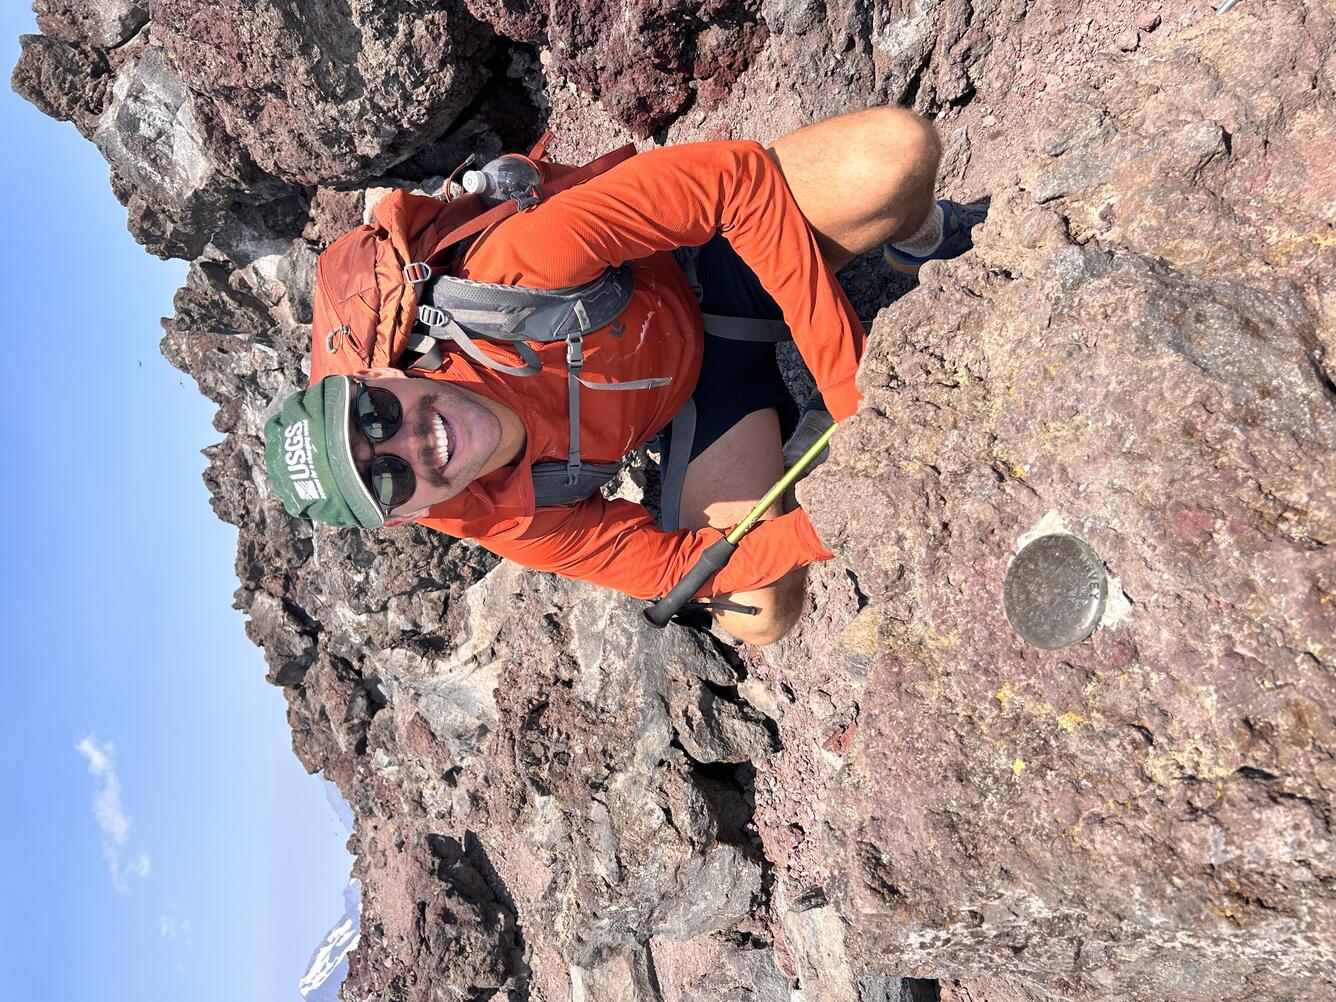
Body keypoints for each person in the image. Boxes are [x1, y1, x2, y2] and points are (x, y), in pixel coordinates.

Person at [264, 106, 981, 645]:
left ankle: (911, 241)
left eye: (374, 417)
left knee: (893, 155)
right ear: (410, 515)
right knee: (757, 612)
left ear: (382, 373)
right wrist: (845, 514)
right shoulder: (500, 517)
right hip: (706, 405)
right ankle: (786, 424)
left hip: (711, 264)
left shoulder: (507, 278)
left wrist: (852, 397)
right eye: (386, 478)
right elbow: (672, 569)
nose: (412, 445)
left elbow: (735, 182)